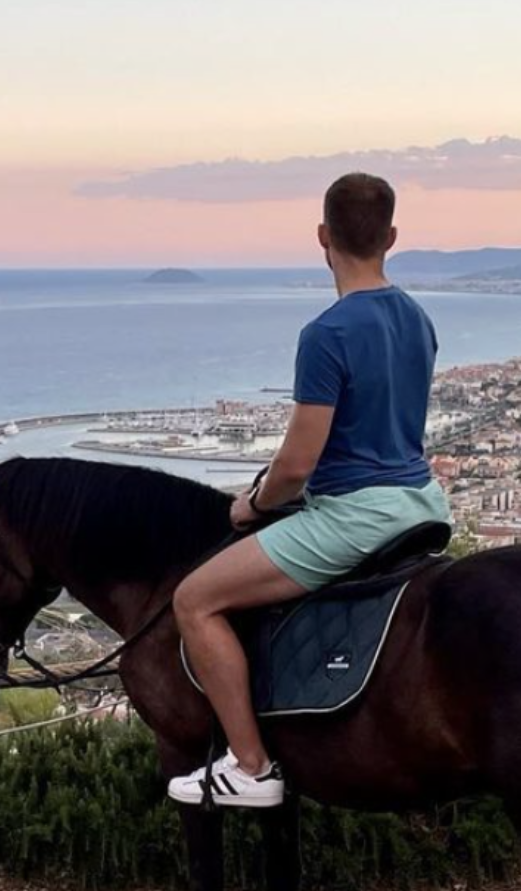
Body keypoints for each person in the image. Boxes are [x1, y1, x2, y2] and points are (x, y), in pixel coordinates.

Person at [167, 172, 449, 809]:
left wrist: (255, 505)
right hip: (422, 503)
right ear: (392, 237)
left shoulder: (328, 333)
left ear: (322, 237)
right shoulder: (417, 318)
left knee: (194, 601)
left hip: (354, 516)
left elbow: (297, 465)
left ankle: (251, 767)